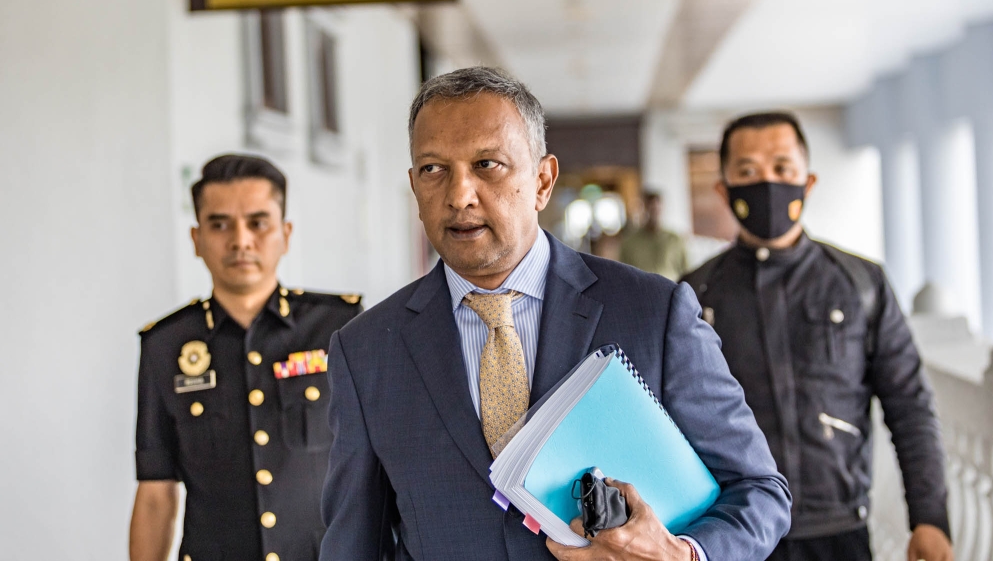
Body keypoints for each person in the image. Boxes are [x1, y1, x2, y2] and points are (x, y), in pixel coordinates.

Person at [318, 67, 791, 561]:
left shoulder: (654, 313)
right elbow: (354, 541)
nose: (459, 195)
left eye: (487, 164)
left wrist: (683, 555)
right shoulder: (367, 350)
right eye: (434, 169)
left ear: (543, 180)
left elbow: (759, 491)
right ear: (414, 186)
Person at [681, 112, 953, 561]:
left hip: (839, 530)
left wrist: (930, 517)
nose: (767, 181)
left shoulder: (861, 284)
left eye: (782, 168)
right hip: (734, 532)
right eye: (747, 171)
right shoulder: (693, 295)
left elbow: (909, 404)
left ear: (807, 182)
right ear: (723, 190)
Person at [130, 154, 363, 561]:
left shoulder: (340, 328)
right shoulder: (166, 346)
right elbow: (155, 492)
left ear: (285, 234)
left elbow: (377, 467)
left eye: (258, 223)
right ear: (196, 238)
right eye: (219, 225)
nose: (240, 240)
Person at [619, 191, 688, 280]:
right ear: (643, 209)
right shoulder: (629, 242)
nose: (653, 213)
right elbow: (623, 274)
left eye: (656, 209)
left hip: (670, 291)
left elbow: (686, 273)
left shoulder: (675, 240)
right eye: (650, 209)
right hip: (640, 291)